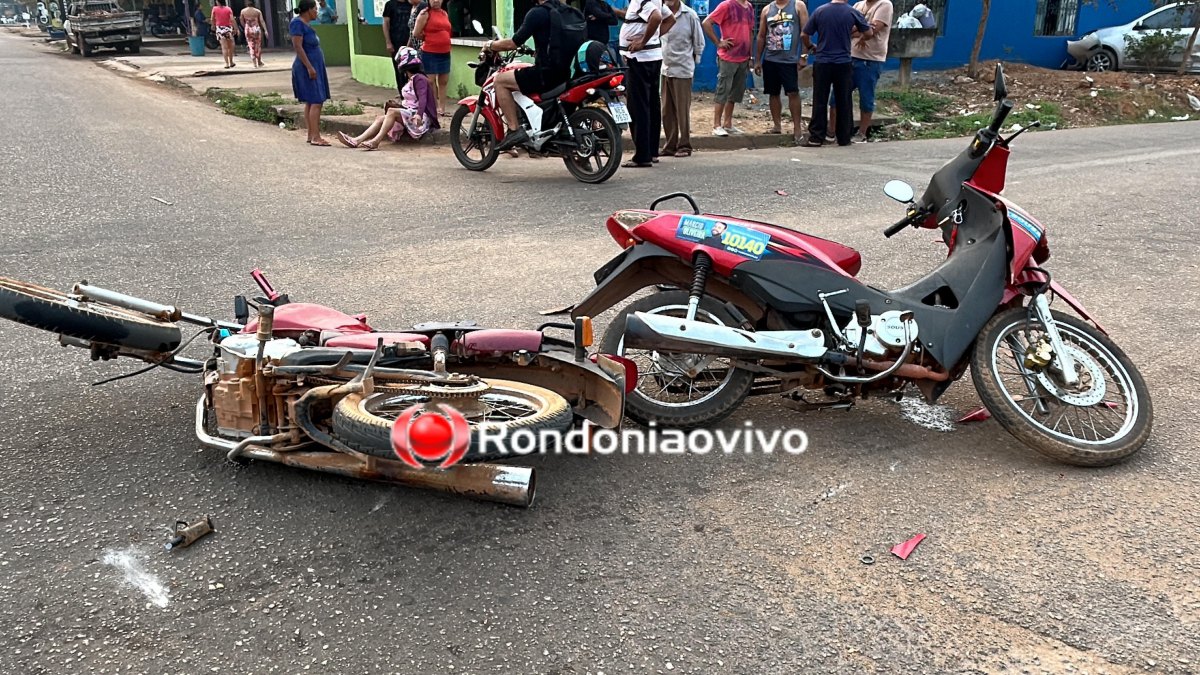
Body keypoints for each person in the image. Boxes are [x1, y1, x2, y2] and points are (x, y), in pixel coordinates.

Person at [485, 0, 583, 151]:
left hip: (544, 75)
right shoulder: (567, 12)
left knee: (500, 81)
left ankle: (514, 129)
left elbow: (513, 43)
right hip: (565, 74)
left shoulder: (537, 13)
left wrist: (491, 45)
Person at [799, 0, 871, 147]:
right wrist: (857, 33)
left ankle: (816, 137)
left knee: (820, 99)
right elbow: (869, 33)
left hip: (823, 61)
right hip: (843, 62)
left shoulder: (820, 11)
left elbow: (804, 34)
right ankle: (844, 138)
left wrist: (811, 46)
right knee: (844, 100)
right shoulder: (852, 12)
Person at [336, 47, 439, 149]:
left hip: (421, 118)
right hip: (411, 113)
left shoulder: (419, 79)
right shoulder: (411, 79)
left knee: (391, 111)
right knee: (380, 118)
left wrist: (419, 115)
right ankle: (356, 140)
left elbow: (423, 99)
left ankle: (376, 141)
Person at [619, 0, 674, 167]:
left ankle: (642, 156)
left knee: (638, 107)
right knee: (651, 104)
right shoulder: (655, 0)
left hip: (639, 59)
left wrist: (643, 42)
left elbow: (657, 17)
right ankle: (651, 152)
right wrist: (652, 39)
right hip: (652, 57)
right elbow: (670, 19)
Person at [830, 0, 890, 142]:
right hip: (849, 57)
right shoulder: (858, 5)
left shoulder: (884, 5)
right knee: (836, 96)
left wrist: (862, 29)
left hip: (870, 59)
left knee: (866, 97)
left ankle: (862, 133)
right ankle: (831, 131)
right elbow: (848, 28)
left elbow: (873, 29)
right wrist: (863, 29)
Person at [754, 0, 807, 142]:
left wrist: (803, 56)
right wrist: (758, 60)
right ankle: (777, 125)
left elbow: (805, 32)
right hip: (771, 60)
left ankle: (797, 128)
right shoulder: (767, 10)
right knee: (773, 93)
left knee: (793, 92)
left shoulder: (798, 6)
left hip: (789, 61)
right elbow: (761, 35)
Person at [702, 0, 755, 136]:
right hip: (728, 57)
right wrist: (718, 42)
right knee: (723, 90)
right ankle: (716, 125)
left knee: (735, 92)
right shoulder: (727, 5)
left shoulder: (749, 7)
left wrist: (750, 56)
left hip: (743, 57)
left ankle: (728, 123)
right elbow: (706, 22)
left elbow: (750, 31)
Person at [659, 0, 703, 158]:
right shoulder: (660, 13)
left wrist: (692, 64)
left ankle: (684, 145)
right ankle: (670, 146)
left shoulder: (690, 15)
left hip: (683, 69)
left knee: (681, 110)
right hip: (665, 68)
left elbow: (699, 42)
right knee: (666, 110)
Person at [290, 0, 332, 145]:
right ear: (308, 10)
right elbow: (298, 46)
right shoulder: (297, 24)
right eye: (315, 9)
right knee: (316, 100)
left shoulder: (307, 25)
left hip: (314, 65)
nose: (317, 12)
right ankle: (316, 137)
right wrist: (309, 67)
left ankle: (311, 134)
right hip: (306, 67)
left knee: (311, 101)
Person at [413, 0, 451, 116]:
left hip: (445, 52)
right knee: (431, 81)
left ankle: (442, 108)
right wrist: (428, 38)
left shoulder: (444, 13)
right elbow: (416, 33)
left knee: (443, 81)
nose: (436, 1)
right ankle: (433, 108)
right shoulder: (425, 14)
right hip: (430, 52)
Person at [211, 0, 238, 68]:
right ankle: (231, 62)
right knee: (230, 46)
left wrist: (213, 25)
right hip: (228, 28)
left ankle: (226, 63)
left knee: (224, 47)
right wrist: (235, 28)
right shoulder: (228, 9)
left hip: (220, 29)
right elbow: (232, 19)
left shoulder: (214, 9)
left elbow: (212, 19)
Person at [239, 0, 267, 67]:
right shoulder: (257, 11)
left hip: (248, 29)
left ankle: (254, 64)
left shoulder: (243, 11)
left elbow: (241, 21)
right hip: (256, 28)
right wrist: (265, 30)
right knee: (258, 45)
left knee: (251, 46)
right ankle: (259, 62)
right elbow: (262, 21)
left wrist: (245, 26)